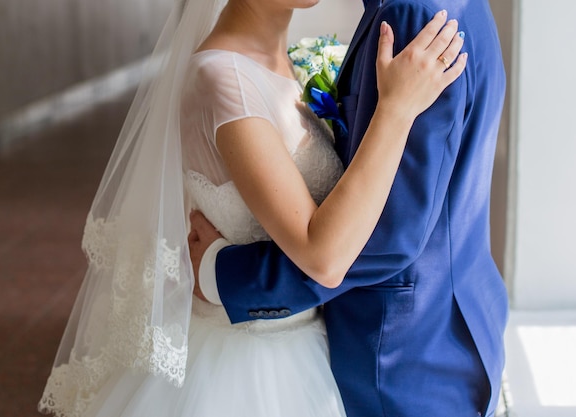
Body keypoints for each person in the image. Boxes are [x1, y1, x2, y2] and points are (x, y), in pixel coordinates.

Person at [38, 0, 466, 416]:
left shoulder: (288, 60)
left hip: (308, 344)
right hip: (248, 366)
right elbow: (324, 256)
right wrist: (395, 109)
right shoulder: (224, 80)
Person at [189, 0, 510, 417]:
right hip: (444, 323)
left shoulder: (410, 15)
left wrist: (225, 276)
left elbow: (388, 231)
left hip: (400, 351)